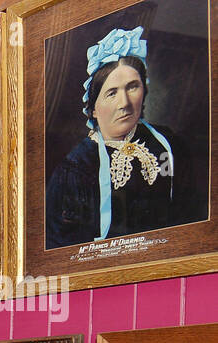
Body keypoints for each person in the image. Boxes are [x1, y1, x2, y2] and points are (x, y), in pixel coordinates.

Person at [45, 26, 198, 250]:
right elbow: (64, 248)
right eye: (112, 93)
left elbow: (191, 217)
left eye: (132, 87)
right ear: (94, 108)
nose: (125, 103)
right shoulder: (75, 169)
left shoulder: (170, 144)